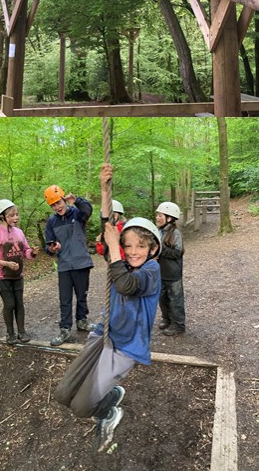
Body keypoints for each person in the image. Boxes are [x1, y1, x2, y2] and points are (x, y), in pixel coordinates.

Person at [54, 164, 161, 452]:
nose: (133, 251)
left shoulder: (151, 270)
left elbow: (127, 285)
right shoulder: (122, 262)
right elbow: (106, 227)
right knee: (63, 394)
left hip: (125, 347)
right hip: (103, 336)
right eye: (128, 246)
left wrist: (115, 247)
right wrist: (104, 189)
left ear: (152, 249)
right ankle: (110, 393)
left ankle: (108, 410)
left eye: (141, 246)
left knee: (81, 407)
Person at [44, 184, 95, 346]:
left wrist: (77, 200)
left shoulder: (77, 214)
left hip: (81, 263)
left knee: (82, 295)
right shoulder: (51, 222)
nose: (56, 207)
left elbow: (88, 210)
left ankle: (82, 321)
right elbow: (48, 246)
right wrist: (52, 248)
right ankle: (65, 329)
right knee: (65, 299)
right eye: (53, 205)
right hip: (64, 265)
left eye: (58, 203)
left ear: (64, 199)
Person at [0, 199, 35, 344]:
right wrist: (6, 263)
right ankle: (10, 333)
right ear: (2, 216)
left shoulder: (19, 232)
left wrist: (32, 253)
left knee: (19, 303)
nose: (16, 218)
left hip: (17, 274)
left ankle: (22, 332)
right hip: (0, 275)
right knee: (9, 304)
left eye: (17, 215)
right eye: (12, 215)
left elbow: (26, 251)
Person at [155, 201, 186, 336]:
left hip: (173, 273)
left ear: (169, 218)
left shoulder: (175, 233)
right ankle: (167, 319)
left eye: (160, 215)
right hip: (161, 272)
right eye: (157, 215)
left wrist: (160, 249)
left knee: (175, 300)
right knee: (163, 299)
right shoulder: (159, 231)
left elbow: (177, 252)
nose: (157, 218)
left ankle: (178, 325)